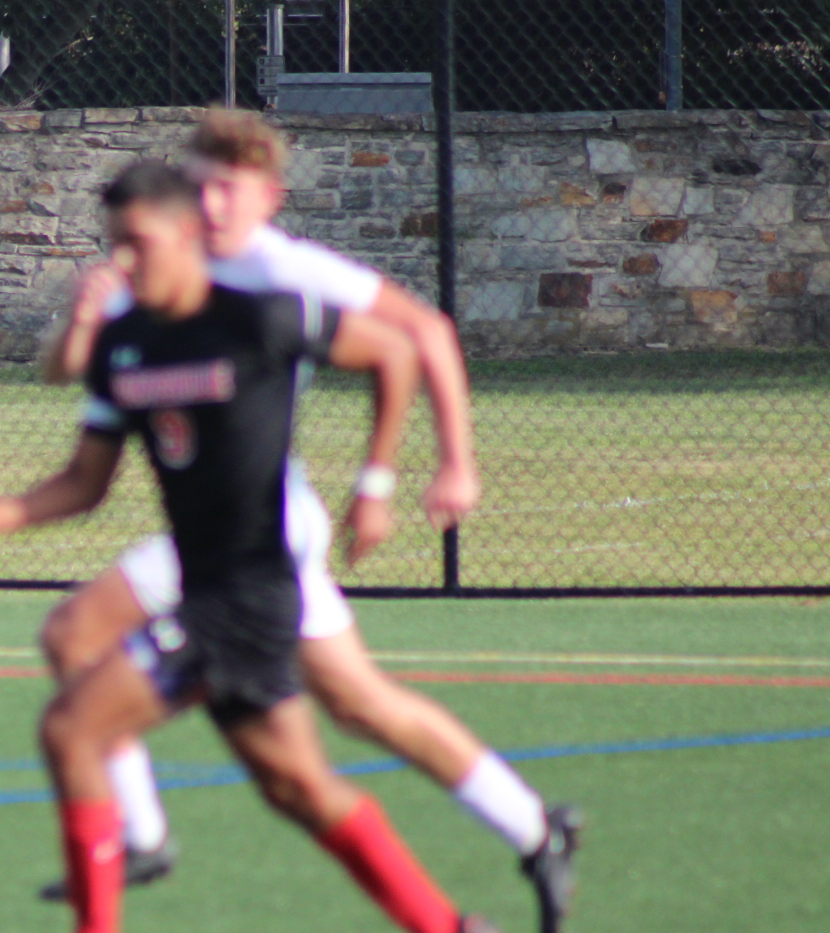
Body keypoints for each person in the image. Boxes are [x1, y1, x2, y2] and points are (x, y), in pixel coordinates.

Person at [38, 111, 579, 933]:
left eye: (228, 188)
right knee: (357, 707)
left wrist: (429, 469)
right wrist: (89, 317)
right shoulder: (166, 263)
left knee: (77, 635)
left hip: (264, 531)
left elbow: (423, 334)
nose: (211, 203)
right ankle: (534, 829)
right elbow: (83, 372)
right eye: (199, 186)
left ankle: (138, 839)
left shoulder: (281, 269)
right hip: (236, 525)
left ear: (270, 197)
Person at [0, 160, 495, 933]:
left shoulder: (260, 318)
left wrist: (376, 484)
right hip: (208, 595)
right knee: (298, 789)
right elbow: (85, 482)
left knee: (72, 728)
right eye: (114, 244)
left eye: (138, 242)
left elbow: (395, 352)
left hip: (249, 594)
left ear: (188, 234)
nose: (123, 260)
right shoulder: (123, 343)